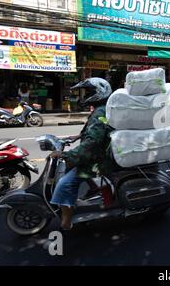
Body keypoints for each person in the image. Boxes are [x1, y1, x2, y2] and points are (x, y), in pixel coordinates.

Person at [49, 77, 113, 230]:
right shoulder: (101, 109)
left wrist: (65, 155)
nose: (85, 95)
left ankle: (66, 221)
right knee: (71, 169)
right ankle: (94, 190)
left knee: (64, 184)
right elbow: (95, 132)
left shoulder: (100, 112)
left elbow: (92, 144)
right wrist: (79, 136)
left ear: (99, 92)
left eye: (89, 92)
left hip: (98, 159)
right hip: (99, 153)